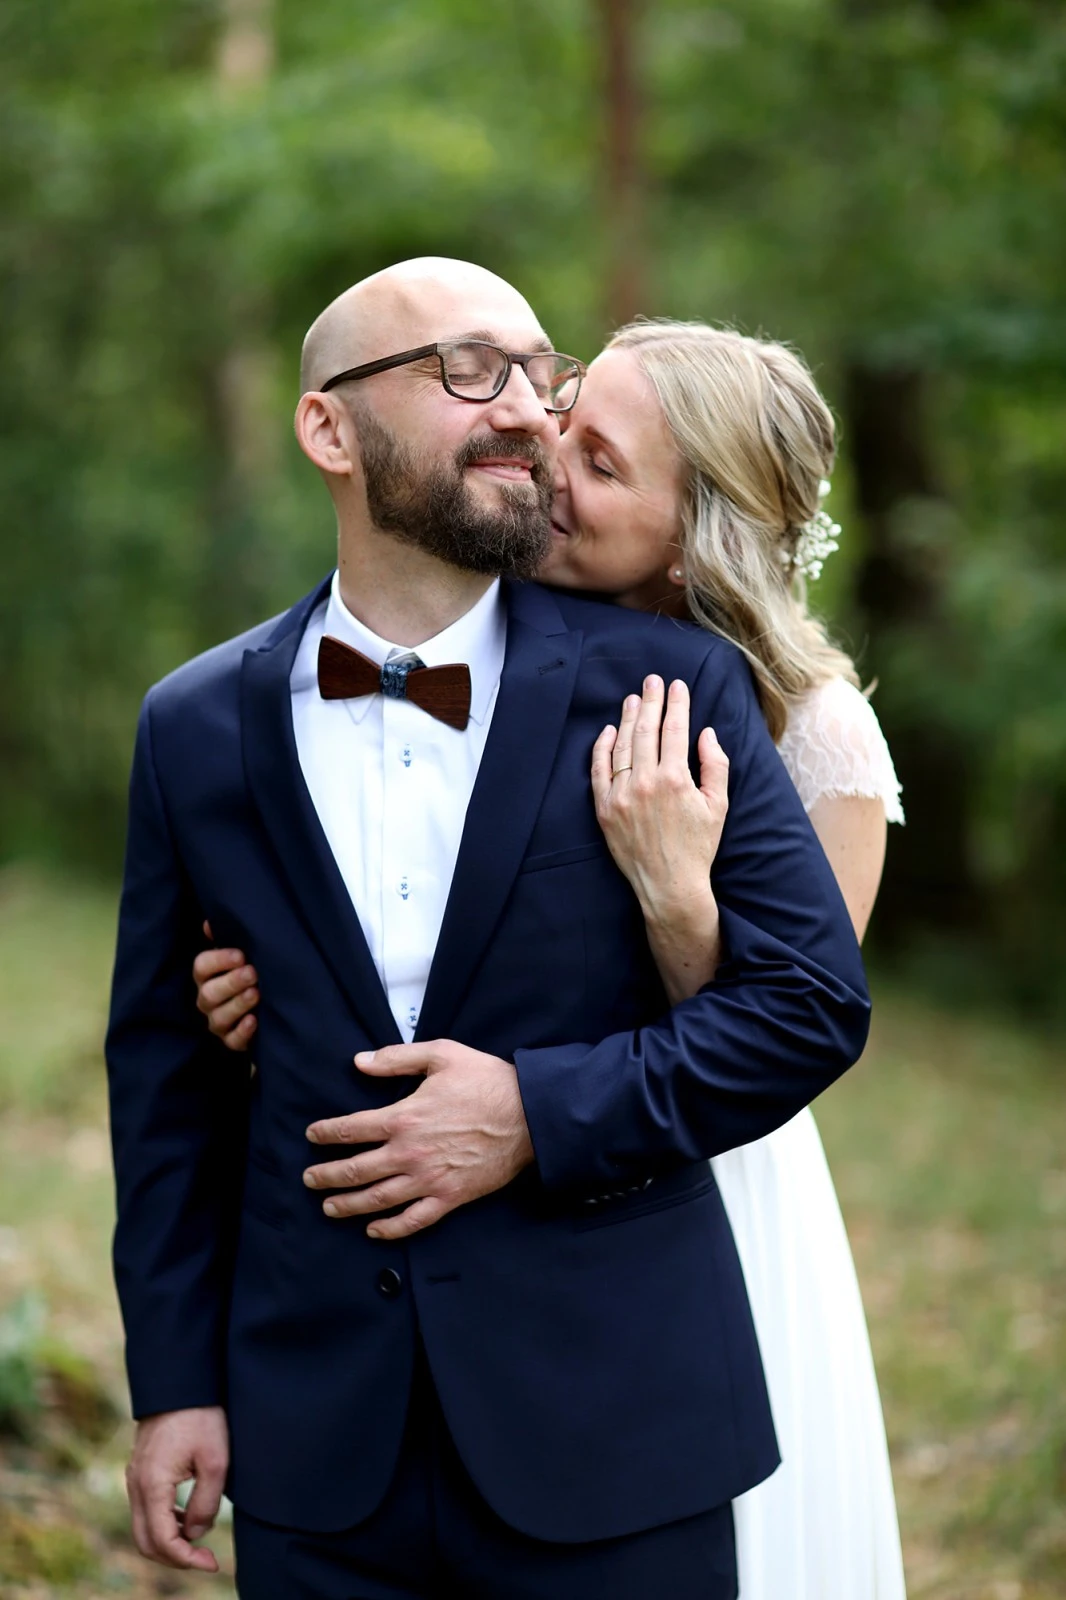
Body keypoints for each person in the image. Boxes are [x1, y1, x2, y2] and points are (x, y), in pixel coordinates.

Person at [106, 258, 870, 1600]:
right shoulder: (193, 724)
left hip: (615, 1427)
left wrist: (531, 1113)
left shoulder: (675, 690)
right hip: (314, 1448)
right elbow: (165, 1085)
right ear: (328, 428)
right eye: (468, 370)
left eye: (536, 371)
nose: (524, 408)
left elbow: (807, 1006)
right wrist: (175, 1383)